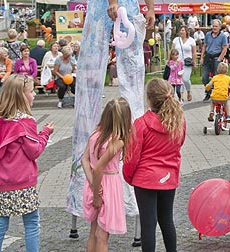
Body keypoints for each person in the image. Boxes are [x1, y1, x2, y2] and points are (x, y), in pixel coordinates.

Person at [0, 74, 55, 251]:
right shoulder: (25, 122)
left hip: (0, 182)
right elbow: (35, 151)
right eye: (31, 91)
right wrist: (45, 133)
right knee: (31, 223)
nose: (34, 95)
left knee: (0, 223)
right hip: (23, 182)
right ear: (21, 96)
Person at [122, 78, 186, 252]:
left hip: (145, 179)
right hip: (169, 176)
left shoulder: (141, 124)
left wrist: (129, 177)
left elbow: (131, 156)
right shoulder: (178, 121)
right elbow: (179, 144)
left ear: (148, 99)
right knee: (167, 220)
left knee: (148, 225)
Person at [82, 98, 132, 251]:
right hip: (108, 185)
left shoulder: (95, 134)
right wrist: (97, 194)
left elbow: (84, 160)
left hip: (93, 183)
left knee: (94, 231)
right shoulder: (117, 141)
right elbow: (99, 168)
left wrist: (92, 184)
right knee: (103, 235)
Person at [200, 19, 229, 102]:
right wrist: (202, 57)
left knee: (216, 77)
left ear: (220, 27)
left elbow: (225, 48)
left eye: (216, 26)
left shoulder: (223, 36)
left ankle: (216, 94)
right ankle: (209, 91)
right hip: (208, 57)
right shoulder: (208, 34)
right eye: (213, 26)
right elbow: (204, 46)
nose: (214, 28)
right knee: (204, 77)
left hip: (217, 57)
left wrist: (219, 59)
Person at [171, 25, 196, 101]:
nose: (181, 32)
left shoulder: (191, 40)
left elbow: (194, 52)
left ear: (186, 32)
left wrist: (194, 62)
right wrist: (171, 61)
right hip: (178, 63)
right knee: (180, 80)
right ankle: (181, 96)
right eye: (180, 30)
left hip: (187, 63)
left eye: (183, 30)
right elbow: (172, 50)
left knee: (185, 79)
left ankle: (188, 91)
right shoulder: (176, 40)